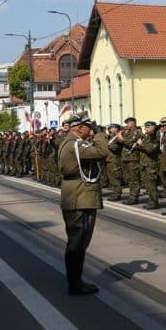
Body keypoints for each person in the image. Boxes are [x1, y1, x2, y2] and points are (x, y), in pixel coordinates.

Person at [58, 112, 109, 295]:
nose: (90, 129)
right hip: (81, 196)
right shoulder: (76, 145)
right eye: (88, 126)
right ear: (80, 128)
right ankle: (75, 283)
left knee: (76, 242)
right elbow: (103, 152)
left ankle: (75, 281)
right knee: (78, 242)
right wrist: (99, 134)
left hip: (74, 194)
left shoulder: (68, 142)